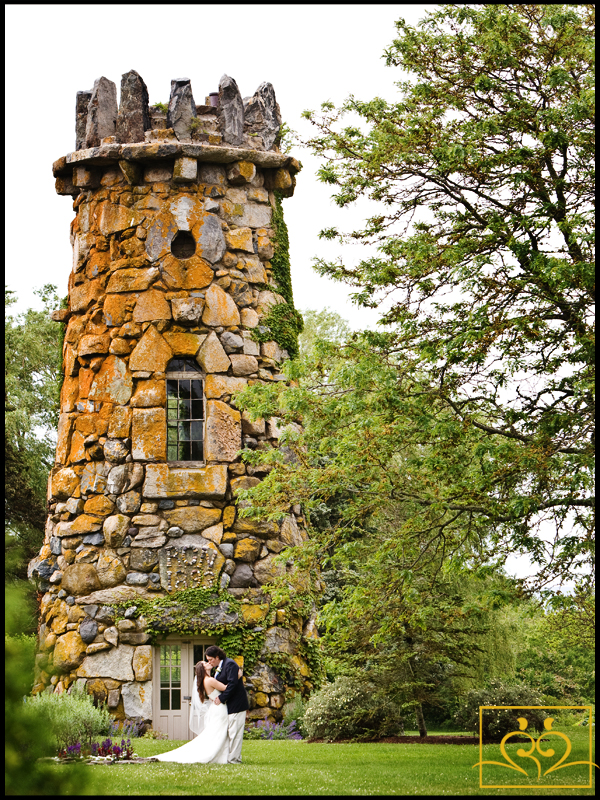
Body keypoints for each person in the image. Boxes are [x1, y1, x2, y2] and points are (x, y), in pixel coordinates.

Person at [153, 658, 240, 764]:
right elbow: (227, 688)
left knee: (218, 731)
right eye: (205, 663)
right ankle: (219, 755)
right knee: (219, 732)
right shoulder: (210, 680)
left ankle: (224, 755)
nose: (208, 663)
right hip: (220, 708)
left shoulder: (207, 680)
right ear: (203, 669)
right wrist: (237, 676)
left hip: (216, 707)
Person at [204, 644, 249, 764]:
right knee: (230, 732)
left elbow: (232, 684)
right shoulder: (219, 667)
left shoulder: (230, 664)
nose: (209, 662)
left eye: (211, 659)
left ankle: (234, 759)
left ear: (217, 656)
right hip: (228, 705)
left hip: (237, 703)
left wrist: (221, 698)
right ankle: (229, 757)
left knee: (235, 733)